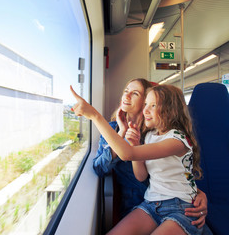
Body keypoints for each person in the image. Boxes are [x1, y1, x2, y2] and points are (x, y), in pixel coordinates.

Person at [70, 84, 207, 235]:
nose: (146, 109)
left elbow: (127, 154)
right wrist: (131, 141)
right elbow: (141, 175)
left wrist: (95, 116)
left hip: (180, 207)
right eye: (146, 104)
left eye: (153, 105)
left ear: (170, 110)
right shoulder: (149, 135)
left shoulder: (177, 139)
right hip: (151, 203)